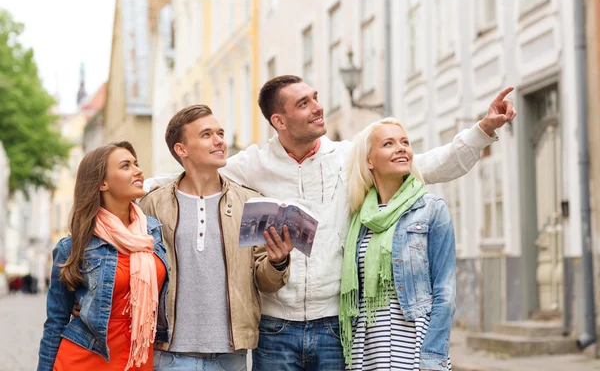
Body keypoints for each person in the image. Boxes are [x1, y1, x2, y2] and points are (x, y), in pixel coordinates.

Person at [145, 75, 516, 370]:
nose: (318, 108)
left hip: (335, 326)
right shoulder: (251, 165)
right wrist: (126, 188)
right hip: (275, 329)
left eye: (316, 98)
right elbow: (180, 180)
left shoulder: (348, 155)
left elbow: (429, 165)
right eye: (303, 104)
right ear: (279, 120)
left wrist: (482, 129)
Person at [139, 105, 292, 370]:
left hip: (230, 355)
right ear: (181, 149)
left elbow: (264, 282)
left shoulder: (250, 202)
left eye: (220, 133)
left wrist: (277, 262)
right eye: (207, 134)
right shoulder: (153, 204)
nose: (219, 140)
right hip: (169, 354)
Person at [37, 142, 169, 371]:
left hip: (138, 360)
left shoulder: (152, 233)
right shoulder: (73, 246)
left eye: (136, 164)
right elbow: (55, 321)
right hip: (85, 361)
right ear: (102, 183)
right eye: (125, 166)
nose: (138, 170)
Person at [340, 118, 456, 371]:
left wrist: (432, 357)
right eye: (389, 143)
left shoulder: (432, 210)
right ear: (369, 160)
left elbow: (445, 292)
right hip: (367, 347)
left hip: (414, 345)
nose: (401, 148)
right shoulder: (359, 218)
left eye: (405, 142)